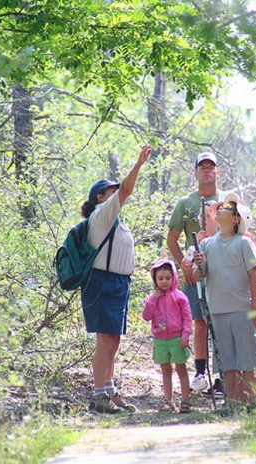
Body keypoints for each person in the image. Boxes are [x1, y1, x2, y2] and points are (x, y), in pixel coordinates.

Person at [81, 144, 151, 413]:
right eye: (111, 192)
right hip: (101, 282)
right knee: (105, 340)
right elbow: (126, 190)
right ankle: (99, 396)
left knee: (114, 339)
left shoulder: (117, 221)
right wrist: (138, 164)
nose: (117, 195)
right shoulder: (102, 214)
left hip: (119, 284)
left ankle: (108, 390)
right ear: (100, 197)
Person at [193, 195, 256, 408]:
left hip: (243, 310)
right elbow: (199, 277)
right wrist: (199, 264)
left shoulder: (244, 242)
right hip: (217, 310)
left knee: (248, 361)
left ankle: (252, 404)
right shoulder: (205, 244)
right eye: (220, 207)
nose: (219, 210)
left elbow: (255, 275)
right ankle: (232, 405)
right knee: (227, 364)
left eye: (226, 208)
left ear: (236, 219)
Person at [167, 152, 228, 396]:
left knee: (222, 321)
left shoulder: (227, 199)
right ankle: (201, 373)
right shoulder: (186, 202)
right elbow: (172, 238)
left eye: (211, 167)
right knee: (200, 322)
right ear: (195, 172)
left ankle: (224, 374)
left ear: (217, 171)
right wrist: (183, 263)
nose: (206, 171)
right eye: (201, 166)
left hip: (223, 269)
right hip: (195, 269)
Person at [142, 260, 193, 413]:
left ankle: (185, 401)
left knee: (181, 368)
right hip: (160, 339)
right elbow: (146, 316)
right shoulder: (152, 298)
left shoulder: (180, 297)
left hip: (177, 339)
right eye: (160, 278)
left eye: (168, 278)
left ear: (174, 278)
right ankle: (168, 401)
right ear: (155, 279)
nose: (164, 281)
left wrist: (185, 336)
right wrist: (153, 299)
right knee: (165, 370)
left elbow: (187, 318)